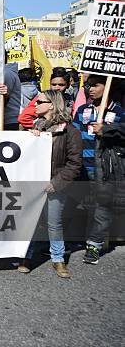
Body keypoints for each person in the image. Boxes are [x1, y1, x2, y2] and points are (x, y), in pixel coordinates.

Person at [18, 90, 82, 278]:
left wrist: (56, 183)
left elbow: (74, 164)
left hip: (55, 185)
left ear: (52, 105)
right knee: (29, 222)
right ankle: (25, 256)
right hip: (34, 186)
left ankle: (58, 259)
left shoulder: (71, 132)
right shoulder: (36, 128)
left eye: (40, 102)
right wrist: (30, 140)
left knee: (54, 224)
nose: (35, 105)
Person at [72, 75, 125, 264]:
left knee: (103, 207)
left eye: (95, 85)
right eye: (88, 86)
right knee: (80, 204)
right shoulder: (82, 109)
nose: (90, 89)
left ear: (108, 87)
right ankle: (72, 242)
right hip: (81, 165)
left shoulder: (119, 111)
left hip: (105, 166)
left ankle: (94, 246)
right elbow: (74, 134)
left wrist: (108, 130)